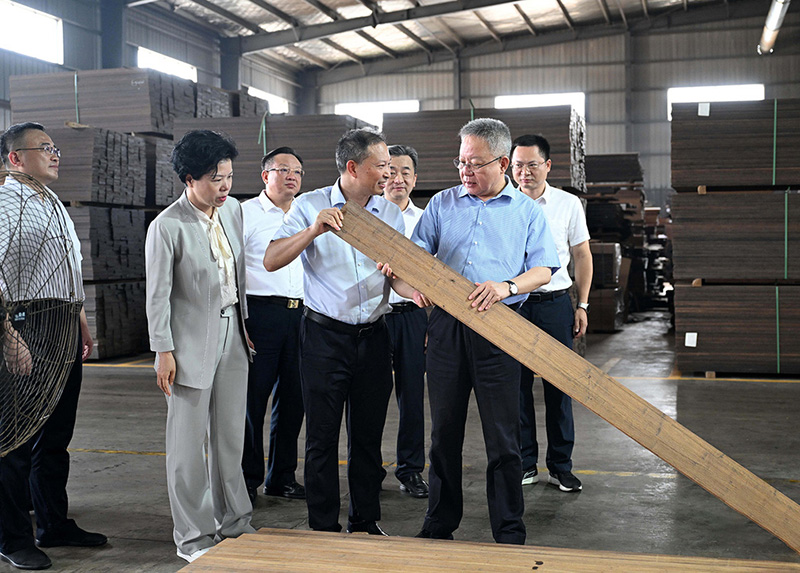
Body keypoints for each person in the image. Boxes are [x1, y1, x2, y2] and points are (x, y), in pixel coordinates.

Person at [387, 118, 560, 544]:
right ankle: (439, 522)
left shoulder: (525, 211)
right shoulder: (442, 205)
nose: (465, 171)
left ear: (501, 163)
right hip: (446, 326)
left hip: (500, 327)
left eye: (475, 163)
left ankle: (509, 528)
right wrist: (409, 283)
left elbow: (544, 268)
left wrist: (507, 287)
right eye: (461, 162)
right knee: (444, 432)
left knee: (503, 437)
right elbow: (412, 259)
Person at [263, 128, 425, 536]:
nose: (389, 174)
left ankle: (365, 521)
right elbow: (271, 259)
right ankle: (323, 528)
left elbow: (395, 277)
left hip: (374, 336)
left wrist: (416, 292)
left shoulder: (389, 213)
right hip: (324, 339)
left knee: (368, 438)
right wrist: (313, 230)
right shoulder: (310, 205)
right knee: (321, 438)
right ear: (353, 167)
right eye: (382, 166)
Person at [0, 122, 106, 571]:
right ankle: (12, 538)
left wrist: (80, 321)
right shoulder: (5, 203)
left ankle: (53, 523)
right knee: (15, 440)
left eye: (55, 147)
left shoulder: (53, 202)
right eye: (44, 148)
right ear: (15, 158)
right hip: (23, 325)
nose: (55, 154)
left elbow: (67, 269)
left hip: (63, 324)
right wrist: (8, 336)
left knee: (56, 434)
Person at [145, 130, 255, 563]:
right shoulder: (167, 226)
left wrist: (243, 324)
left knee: (230, 439)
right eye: (215, 179)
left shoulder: (233, 212)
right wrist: (163, 351)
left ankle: (236, 522)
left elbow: (238, 277)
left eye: (229, 177)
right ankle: (193, 538)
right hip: (187, 343)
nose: (225, 186)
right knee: (188, 447)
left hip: (233, 335)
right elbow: (157, 296)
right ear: (189, 179)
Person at [511, 134, 592, 493]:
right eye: (517, 165)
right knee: (517, 388)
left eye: (532, 165)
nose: (524, 172)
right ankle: (525, 463)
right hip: (513, 306)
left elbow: (582, 255)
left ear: (547, 165)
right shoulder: (503, 203)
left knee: (560, 387)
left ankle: (561, 466)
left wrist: (582, 304)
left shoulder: (567, 204)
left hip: (555, 304)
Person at [241, 147, 306, 503]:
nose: (292, 176)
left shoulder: (306, 213)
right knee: (252, 401)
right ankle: (246, 480)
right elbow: (230, 269)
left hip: (302, 316)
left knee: (294, 400)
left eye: (297, 171)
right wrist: (240, 320)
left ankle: (281, 477)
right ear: (266, 175)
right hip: (260, 314)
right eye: (283, 169)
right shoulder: (244, 213)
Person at [383, 144, 428, 499]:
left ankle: (410, 470)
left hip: (414, 317)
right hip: (375, 318)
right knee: (369, 397)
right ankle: (367, 468)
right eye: (391, 172)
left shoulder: (426, 220)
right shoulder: (366, 217)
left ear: (415, 179)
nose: (398, 179)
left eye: (405, 172)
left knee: (412, 396)